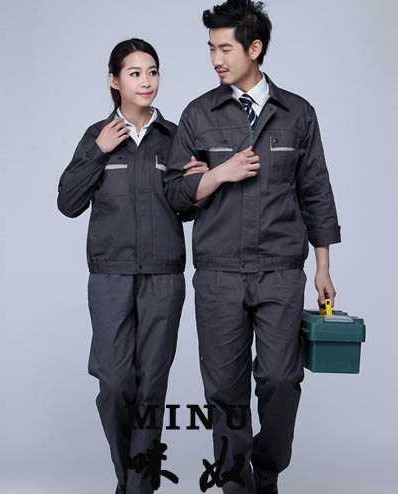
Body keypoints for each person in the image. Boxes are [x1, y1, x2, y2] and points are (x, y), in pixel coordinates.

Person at [164, 1, 341, 493]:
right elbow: (176, 196)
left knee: (281, 379)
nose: (216, 59)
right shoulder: (198, 114)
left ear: (255, 48)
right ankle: (236, 485)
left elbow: (316, 192)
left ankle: (267, 470)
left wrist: (323, 266)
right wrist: (219, 174)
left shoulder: (297, 114)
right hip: (218, 272)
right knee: (224, 390)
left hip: (280, 270)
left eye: (225, 48)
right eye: (211, 49)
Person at [57, 38, 207, 494]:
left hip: (164, 278)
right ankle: (130, 478)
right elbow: (68, 202)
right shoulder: (97, 136)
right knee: (115, 382)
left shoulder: (175, 137)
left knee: (151, 387)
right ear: (114, 80)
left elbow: (185, 209)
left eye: (153, 72)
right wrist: (98, 151)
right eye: (135, 73)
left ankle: (137, 487)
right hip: (110, 277)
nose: (146, 82)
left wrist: (199, 182)